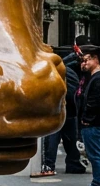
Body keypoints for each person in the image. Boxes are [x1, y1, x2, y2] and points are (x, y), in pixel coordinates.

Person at [34, 48, 84, 177]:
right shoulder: (70, 72)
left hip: (57, 109)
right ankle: (73, 163)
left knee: (53, 138)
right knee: (70, 139)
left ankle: (49, 165)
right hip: (70, 110)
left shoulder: (53, 71)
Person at [76, 46, 100, 186]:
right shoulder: (99, 78)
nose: (83, 63)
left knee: (95, 155)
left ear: (95, 59)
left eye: (86, 60)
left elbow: (94, 103)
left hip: (94, 124)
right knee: (99, 153)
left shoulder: (97, 79)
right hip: (99, 122)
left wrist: (86, 120)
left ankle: (97, 185)